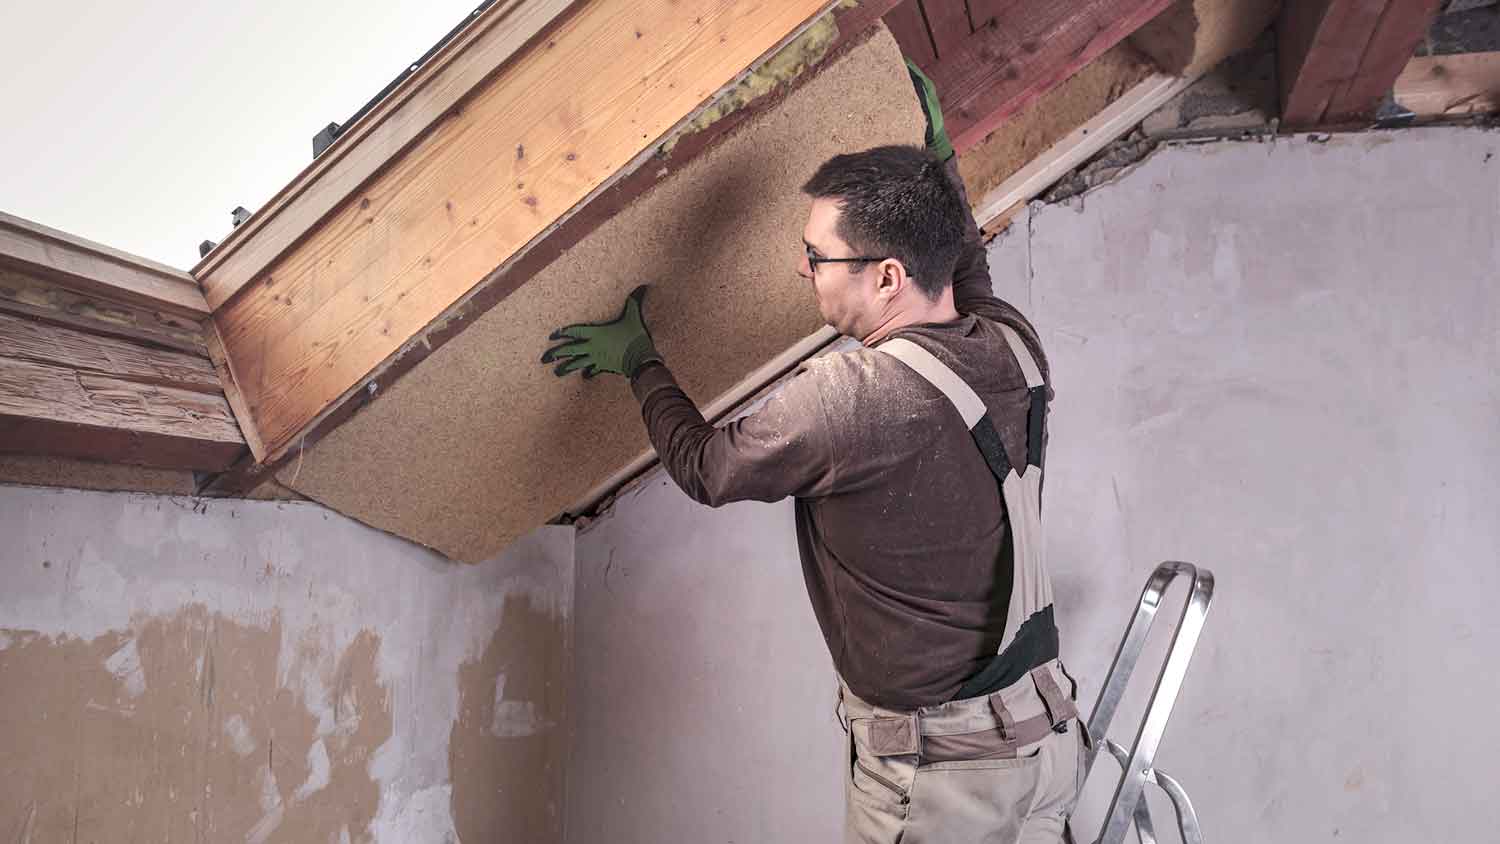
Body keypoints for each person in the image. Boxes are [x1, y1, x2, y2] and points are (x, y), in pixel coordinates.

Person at [540, 66, 1085, 844]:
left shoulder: (850, 397)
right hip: (1048, 747)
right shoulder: (1011, 344)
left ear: (888, 277)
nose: (803, 269)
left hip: (942, 786)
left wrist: (641, 363)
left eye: (817, 256)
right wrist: (943, 174)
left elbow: (708, 467)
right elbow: (965, 267)